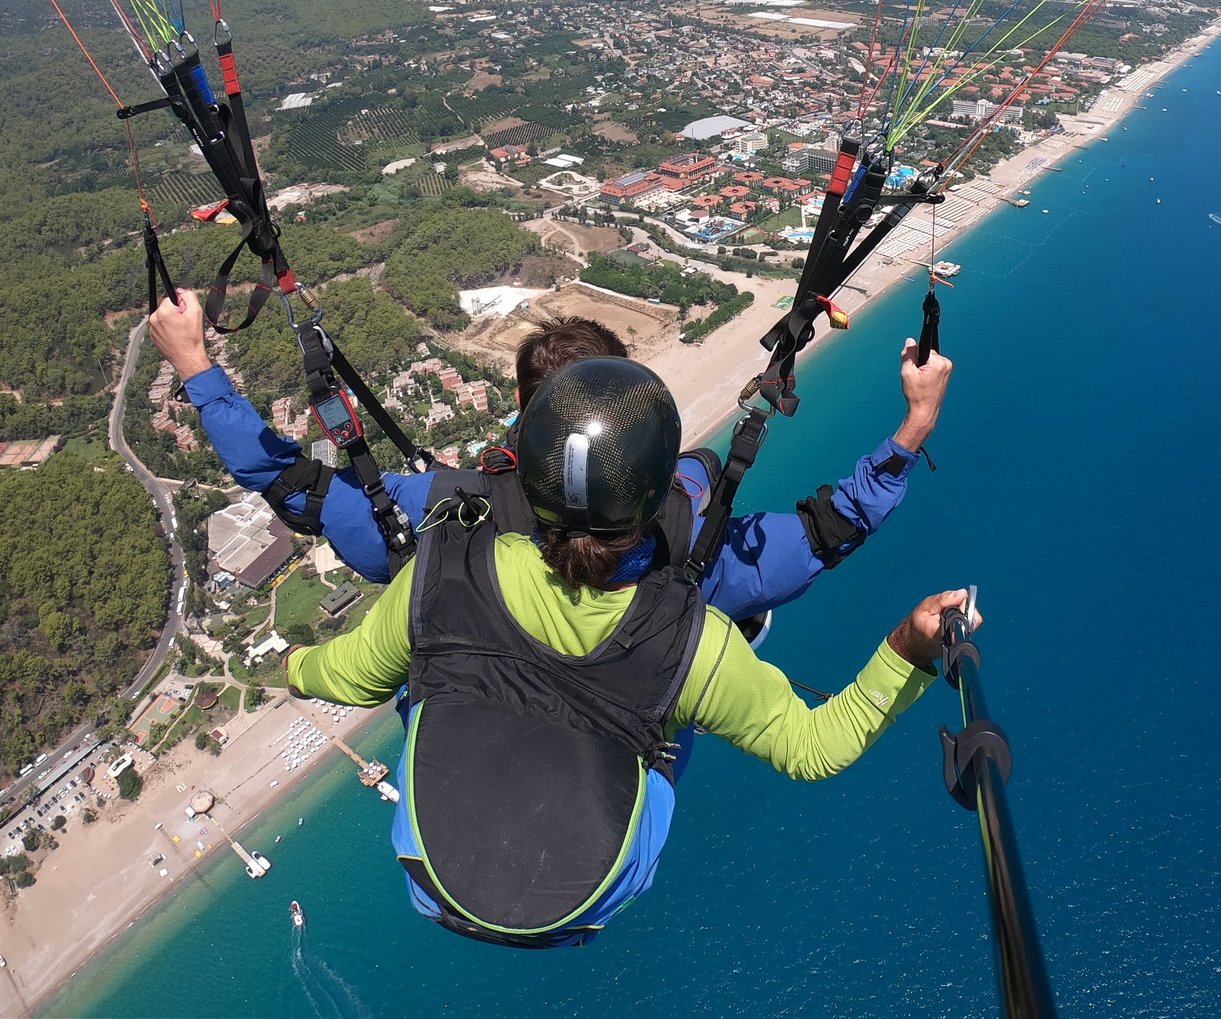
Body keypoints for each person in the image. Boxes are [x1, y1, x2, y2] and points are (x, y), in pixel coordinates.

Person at [282, 355, 972, 945]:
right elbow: (815, 747)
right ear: (658, 500)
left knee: (419, 680)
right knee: (673, 714)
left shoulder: (438, 572)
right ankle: (665, 723)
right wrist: (907, 647)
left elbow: (344, 677)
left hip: (431, 876)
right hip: (589, 897)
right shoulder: (692, 641)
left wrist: (293, 670)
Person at [145, 294, 952, 623]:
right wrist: (912, 426)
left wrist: (197, 368)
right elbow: (828, 530)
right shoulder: (689, 550)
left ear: (526, 420)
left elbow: (292, 487)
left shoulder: (441, 518)